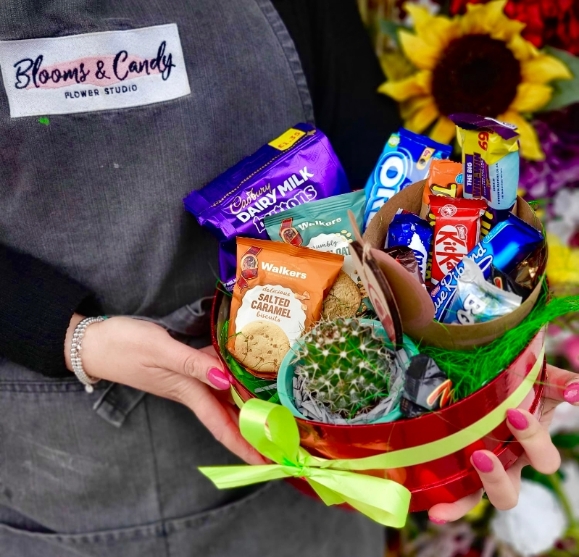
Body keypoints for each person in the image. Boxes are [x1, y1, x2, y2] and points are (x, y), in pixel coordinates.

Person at [0, 1, 577, 555]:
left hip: (330, 469)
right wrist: (72, 335)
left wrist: (493, 381)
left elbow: (375, 164)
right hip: (81, 462)